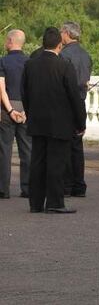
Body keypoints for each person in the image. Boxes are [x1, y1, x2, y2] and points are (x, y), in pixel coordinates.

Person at [22, 27, 86, 214]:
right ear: (60, 44)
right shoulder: (65, 66)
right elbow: (75, 97)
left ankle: (35, 203)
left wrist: (30, 113)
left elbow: (25, 93)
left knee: (38, 162)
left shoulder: (30, 65)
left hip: (37, 121)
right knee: (57, 164)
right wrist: (80, 123)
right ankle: (55, 202)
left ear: (43, 43)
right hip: (60, 123)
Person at [60, 21, 92, 197]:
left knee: (64, 146)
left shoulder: (64, 55)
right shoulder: (85, 55)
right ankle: (79, 185)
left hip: (66, 105)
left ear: (66, 33)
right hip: (81, 102)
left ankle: (66, 185)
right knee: (77, 147)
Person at [0, 30, 31, 199]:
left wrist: (10, 109)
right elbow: (33, 89)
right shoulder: (30, 62)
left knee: (4, 149)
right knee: (27, 149)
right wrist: (26, 109)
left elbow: (1, 88)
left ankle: (3, 189)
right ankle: (27, 188)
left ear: (10, 41)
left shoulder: (3, 61)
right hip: (25, 108)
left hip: (7, 108)